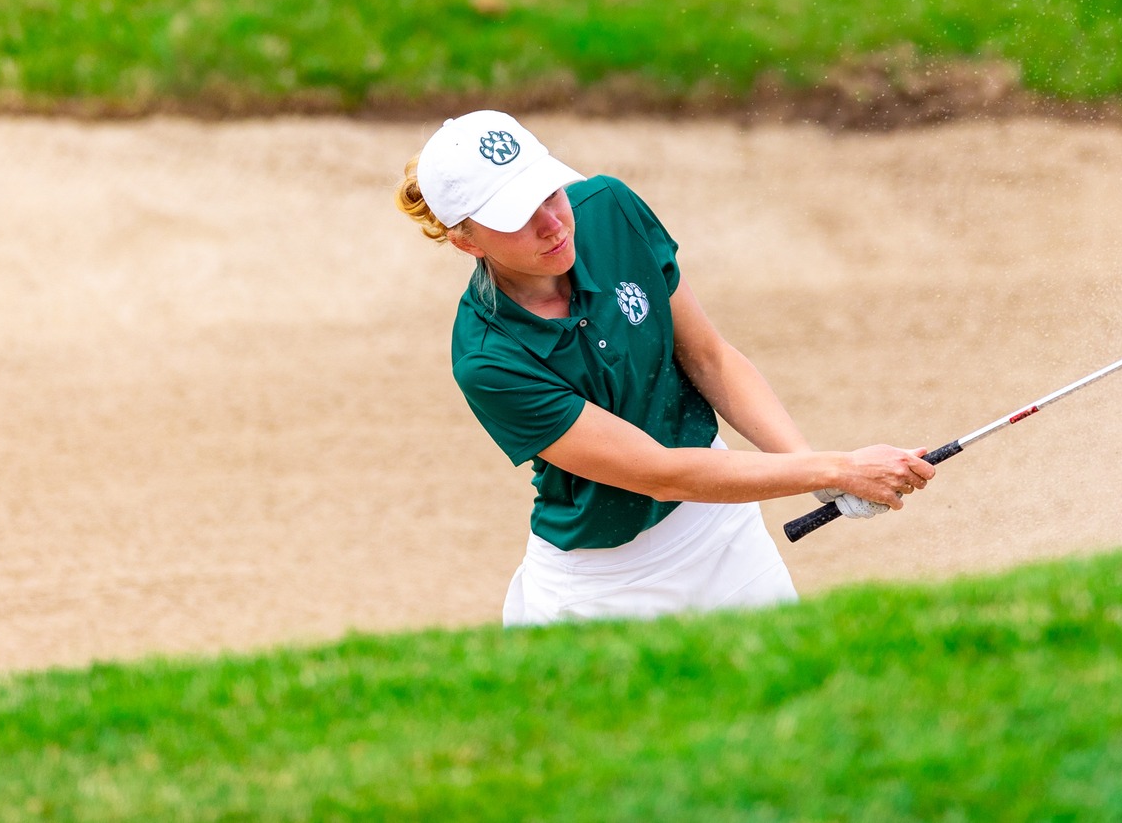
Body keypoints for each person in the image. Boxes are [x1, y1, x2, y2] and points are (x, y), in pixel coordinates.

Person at [395, 110, 932, 625]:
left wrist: (807, 464)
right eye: (516, 217)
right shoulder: (488, 357)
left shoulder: (610, 210)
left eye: (550, 192)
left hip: (722, 532)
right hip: (602, 584)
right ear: (465, 240)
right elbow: (660, 473)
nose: (552, 223)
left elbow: (709, 357)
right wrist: (837, 470)